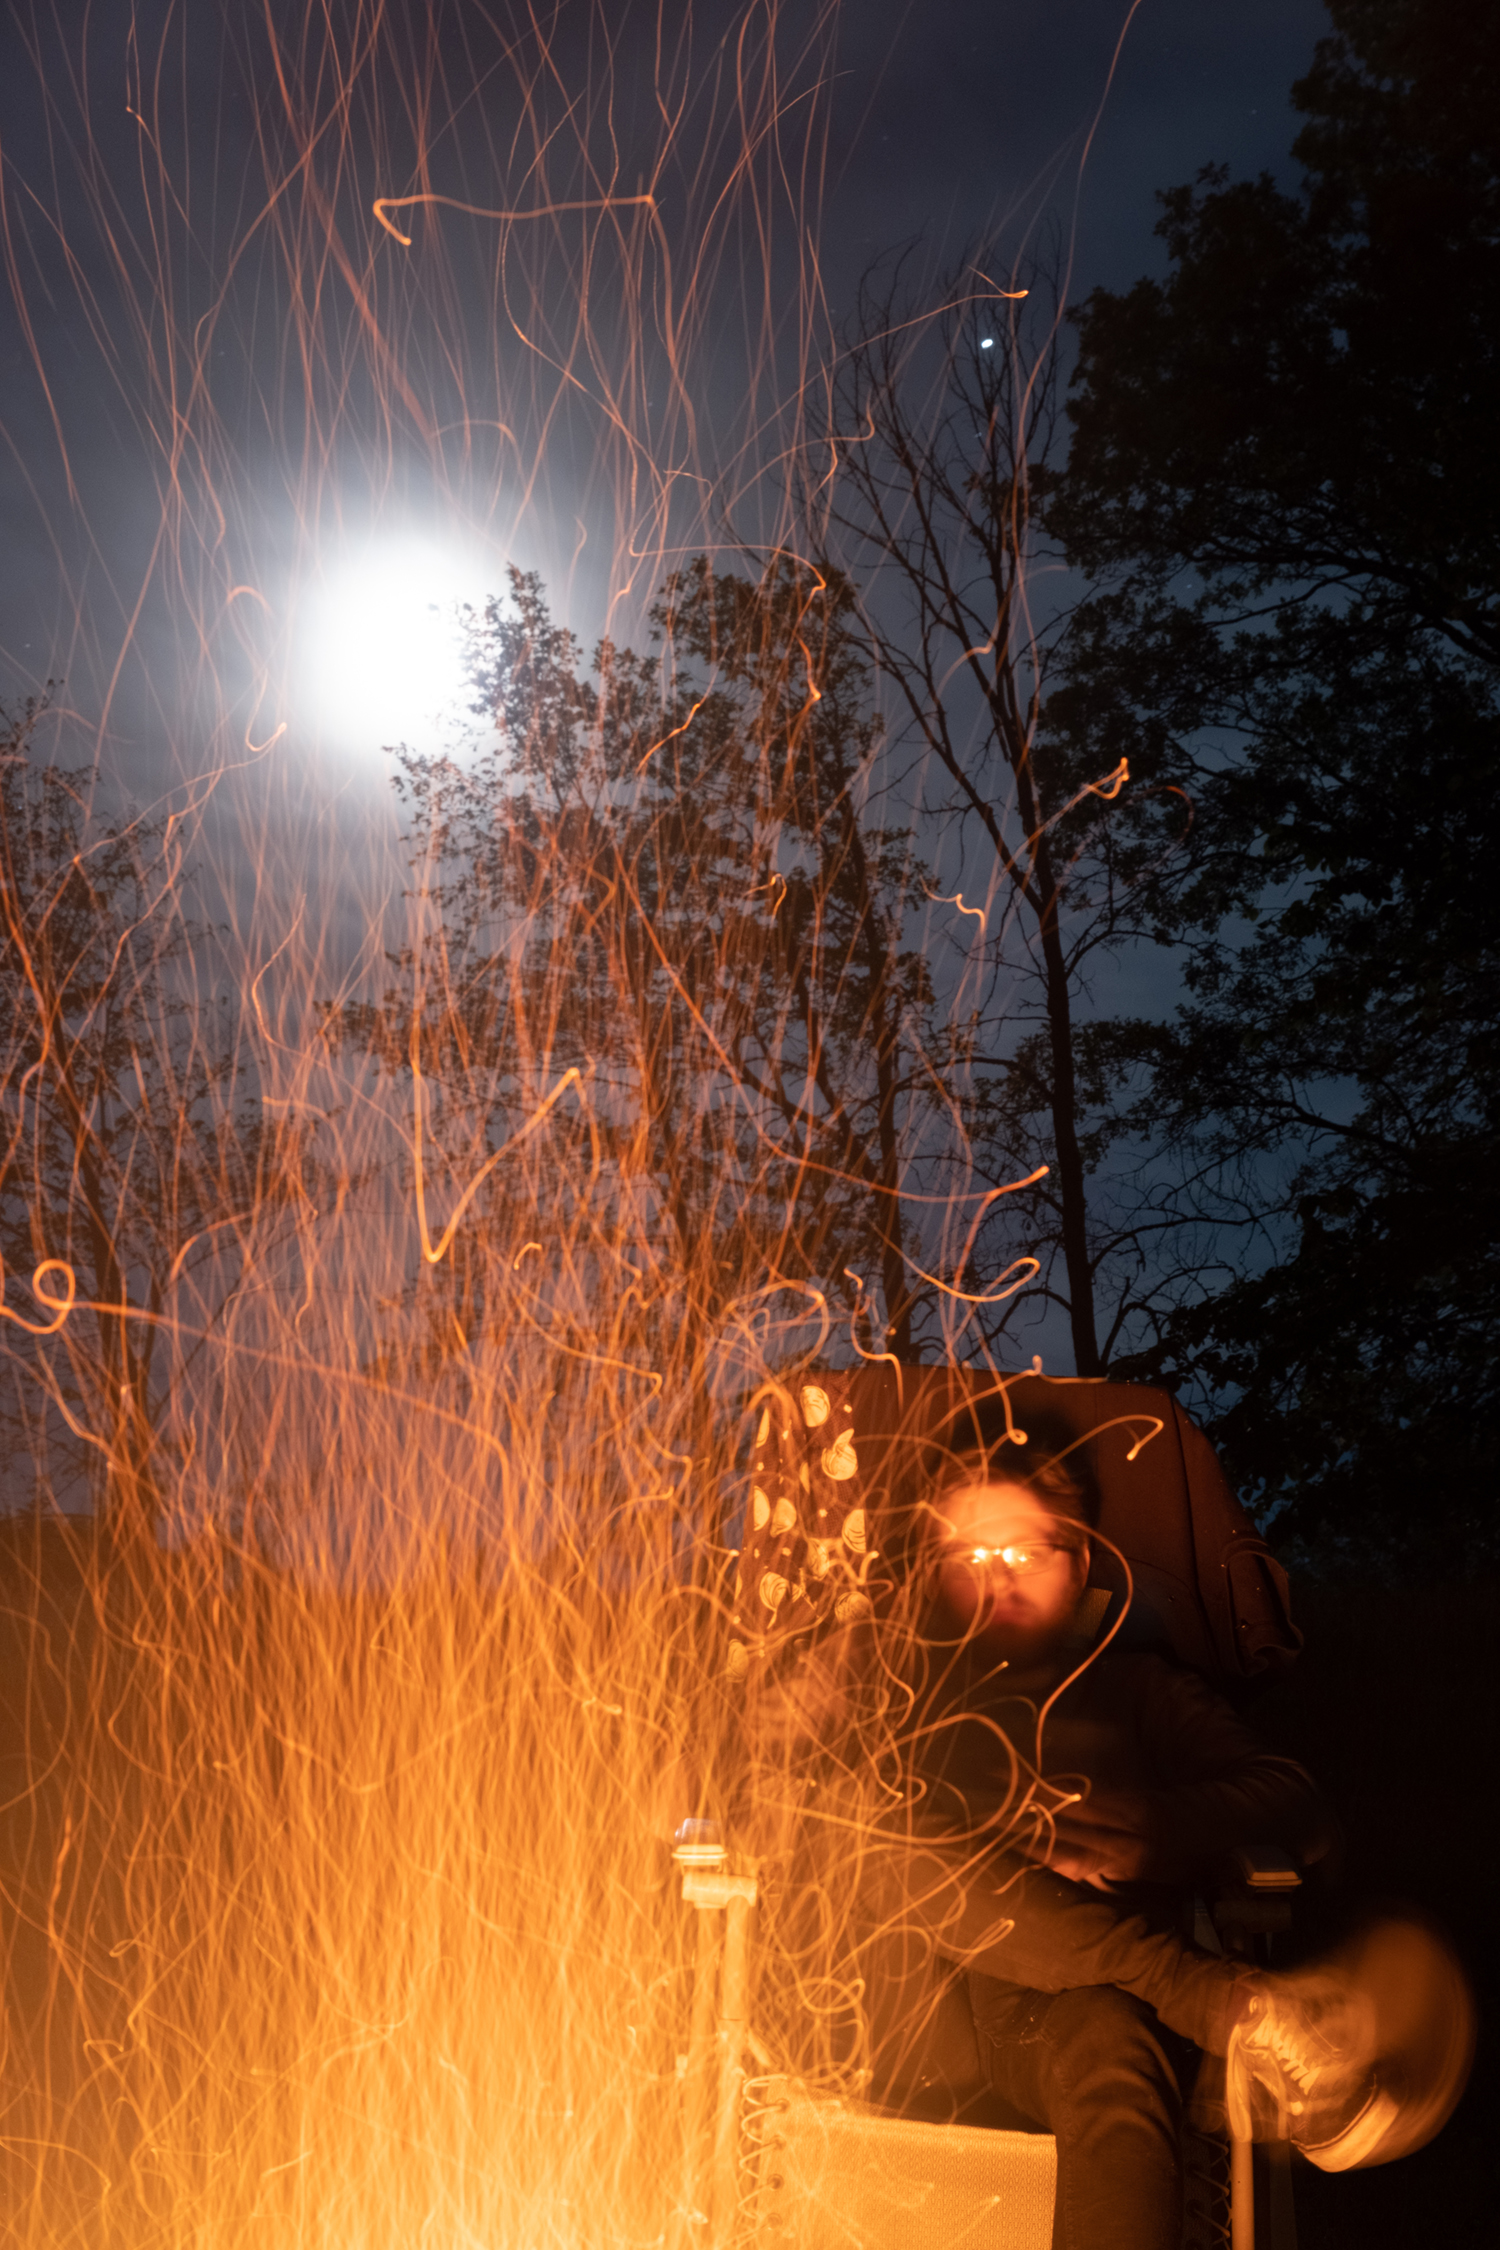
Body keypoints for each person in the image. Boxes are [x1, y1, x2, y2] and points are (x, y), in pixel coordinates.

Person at [741, 1418, 1471, 2250]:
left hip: (1066, 2015)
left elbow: (1294, 1804)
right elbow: (737, 1798)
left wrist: (1153, 1828)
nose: (997, 1580)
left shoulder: (1137, 1690)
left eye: (1025, 1553)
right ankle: (1235, 2009)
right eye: (968, 1558)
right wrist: (787, 1726)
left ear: (1081, 1562)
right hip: (915, 2009)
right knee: (847, 1821)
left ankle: (1221, 2008)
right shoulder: (887, 1679)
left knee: (1110, 2046)